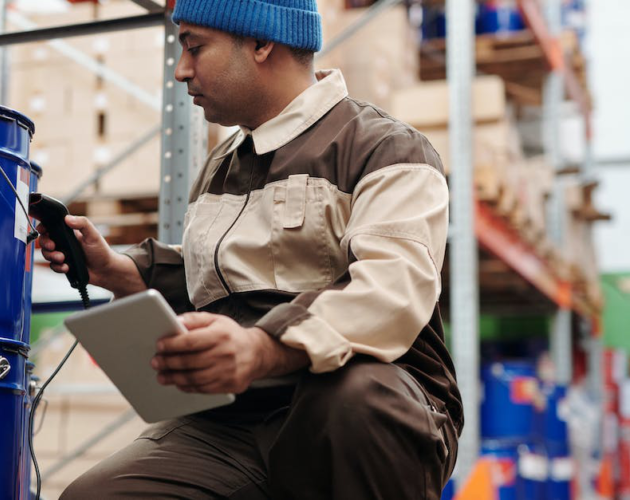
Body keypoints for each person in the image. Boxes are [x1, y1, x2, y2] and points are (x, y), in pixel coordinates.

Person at [41, 0, 463, 498]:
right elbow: (221, 282)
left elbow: (390, 292)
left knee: (354, 399)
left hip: (363, 409)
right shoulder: (221, 165)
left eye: (195, 48)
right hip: (238, 419)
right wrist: (115, 269)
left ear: (263, 43)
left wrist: (261, 347)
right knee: (96, 495)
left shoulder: (386, 150)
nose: (180, 71)